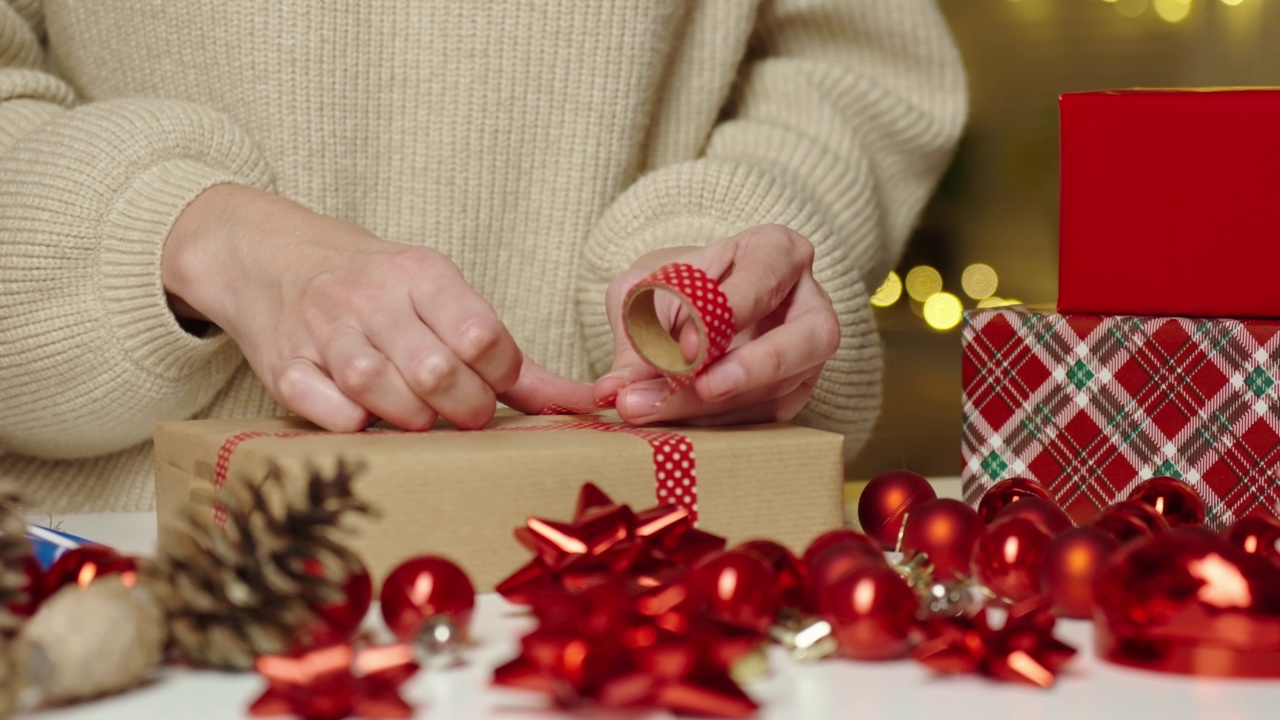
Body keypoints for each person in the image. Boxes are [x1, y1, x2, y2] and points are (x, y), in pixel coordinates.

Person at [0, 1, 967, 512]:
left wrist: (723, 236)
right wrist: (195, 235)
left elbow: (848, 64)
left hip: (660, 553)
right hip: (132, 560)